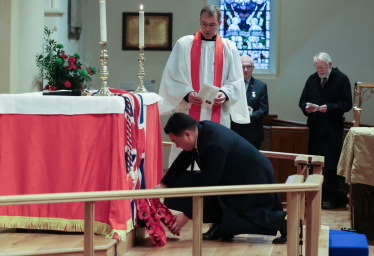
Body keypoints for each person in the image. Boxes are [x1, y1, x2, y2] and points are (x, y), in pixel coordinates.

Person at [154, 112, 287, 244]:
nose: (176, 146)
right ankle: (220, 222)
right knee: (195, 178)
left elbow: (210, 184)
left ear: (187, 134)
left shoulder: (213, 144)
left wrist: (186, 215)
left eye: (176, 142)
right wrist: (165, 184)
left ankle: (282, 220)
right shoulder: (199, 131)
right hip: (235, 176)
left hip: (254, 178)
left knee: (230, 224)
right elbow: (184, 158)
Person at [158, 5, 250, 168]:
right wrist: (186, 94)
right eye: (204, 24)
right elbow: (170, 78)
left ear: (220, 23)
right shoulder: (183, 45)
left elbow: (236, 81)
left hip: (217, 113)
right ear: (199, 21)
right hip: (189, 111)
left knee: (214, 162)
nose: (207, 28)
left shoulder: (229, 48)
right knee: (184, 164)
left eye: (212, 25)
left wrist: (225, 94)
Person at [299, 52, 352, 209]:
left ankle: (332, 198)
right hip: (315, 128)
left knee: (331, 164)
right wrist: (306, 108)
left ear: (329, 64)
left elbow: (347, 104)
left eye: (322, 67)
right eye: (317, 67)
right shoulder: (312, 79)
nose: (320, 70)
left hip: (332, 128)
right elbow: (302, 100)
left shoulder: (341, 79)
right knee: (314, 163)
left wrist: (329, 108)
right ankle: (315, 195)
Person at [231, 55, 268, 150]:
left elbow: (264, 110)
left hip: (252, 133)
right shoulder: (231, 85)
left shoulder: (261, 86)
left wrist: (247, 117)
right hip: (234, 130)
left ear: (252, 68)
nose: (245, 69)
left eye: (248, 67)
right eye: (242, 66)